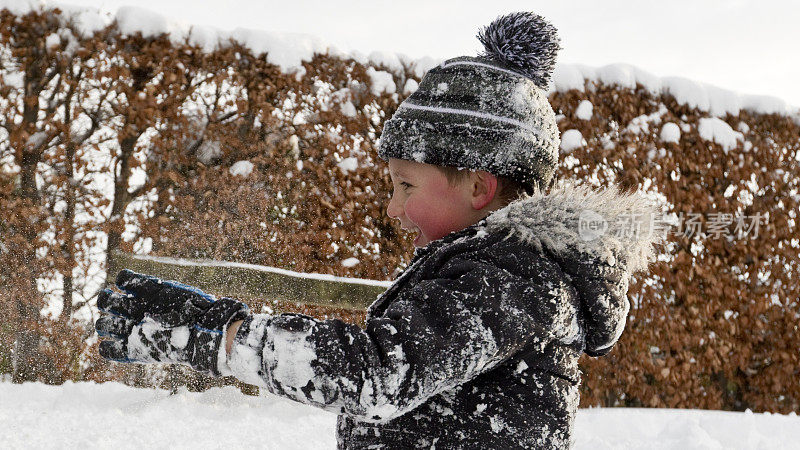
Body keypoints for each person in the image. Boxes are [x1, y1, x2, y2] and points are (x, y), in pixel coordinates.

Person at [95, 12, 663, 449]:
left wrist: (210, 331)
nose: (393, 208)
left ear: (479, 188)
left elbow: (379, 372)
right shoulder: (491, 270)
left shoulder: (515, 279)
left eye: (406, 186)